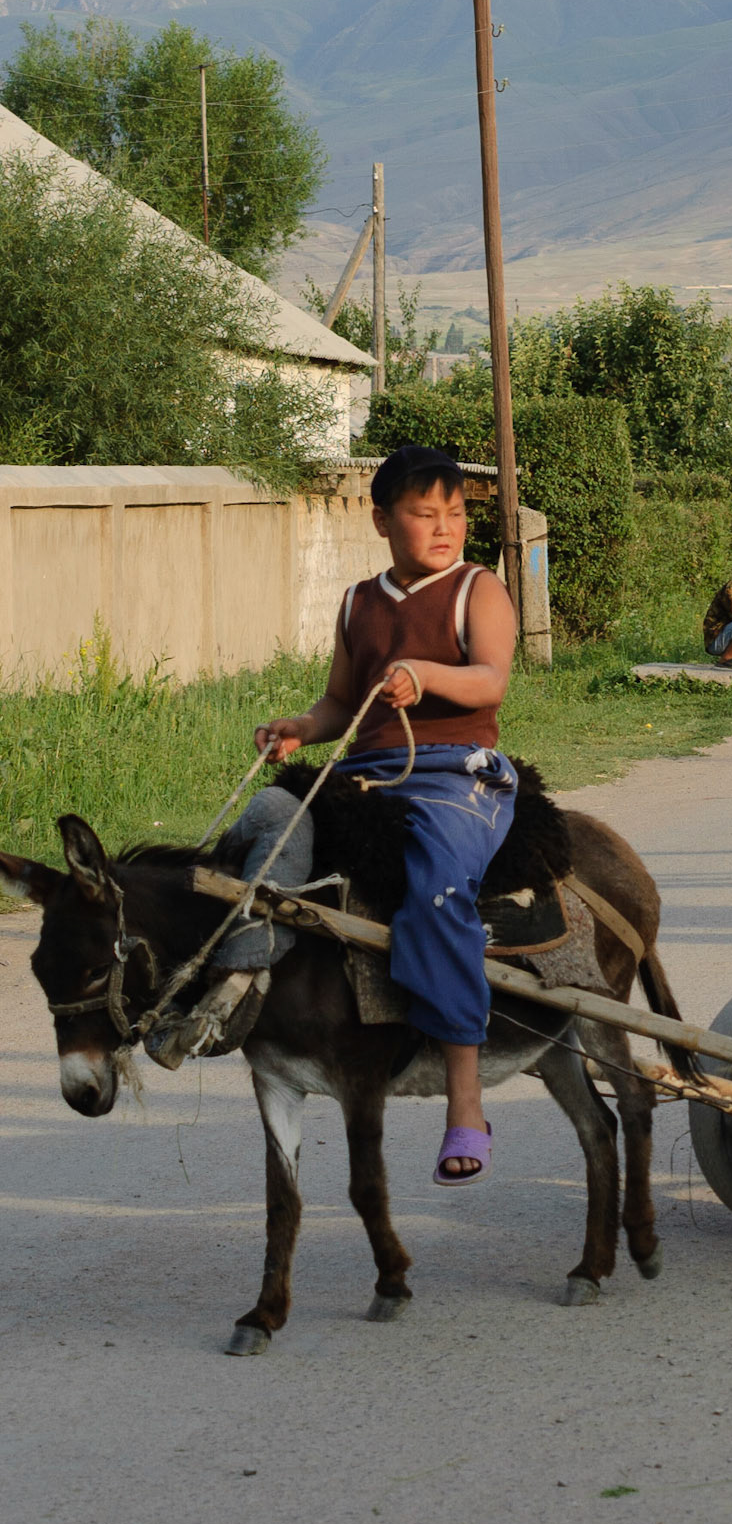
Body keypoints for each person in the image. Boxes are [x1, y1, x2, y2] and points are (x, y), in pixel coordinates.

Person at [253, 443, 519, 1184]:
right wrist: (300, 730)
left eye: (456, 514)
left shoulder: (477, 588)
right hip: (366, 771)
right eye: (424, 513)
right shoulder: (357, 601)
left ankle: (463, 1095)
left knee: (434, 882)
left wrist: (425, 674)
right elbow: (342, 701)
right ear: (380, 520)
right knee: (263, 838)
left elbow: (489, 683)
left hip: (453, 772)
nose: (444, 528)